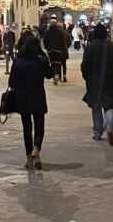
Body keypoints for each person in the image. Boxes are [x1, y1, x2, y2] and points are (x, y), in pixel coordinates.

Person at [8, 36, 53, 170]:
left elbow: (12, 83)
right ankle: (36, 149)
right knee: (39, 126)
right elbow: (49, 75)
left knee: (27, 128)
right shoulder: (41, 61)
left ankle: (29, 158)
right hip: (38, 96)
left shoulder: (18, 62)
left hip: (23, 98)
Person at [80, 23, 113, 144]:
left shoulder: (89, 48)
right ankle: (109, 127)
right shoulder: (111, 47)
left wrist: (86, 76)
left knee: (96, 106)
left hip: (93, 82)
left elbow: (84, 65)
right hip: (108, 80)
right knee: (109, 105)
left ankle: (97, 133)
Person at [43, 17, 69, 84]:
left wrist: (46, 47)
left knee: (52, 63)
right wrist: (62, 48)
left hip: (50, 50)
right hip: (58, 50)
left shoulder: (47, 32)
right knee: (58, 63)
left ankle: (54, 75)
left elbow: (45, 40)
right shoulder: (60, 32)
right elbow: (63, 41)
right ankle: (57, 74)